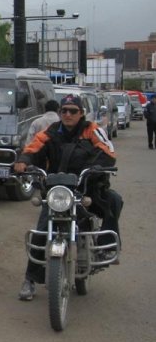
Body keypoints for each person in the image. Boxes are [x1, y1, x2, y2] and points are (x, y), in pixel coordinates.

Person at [13, 94, 123, 301]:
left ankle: (106, 247)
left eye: (73, 110)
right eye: (64, 110)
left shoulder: (91, 130)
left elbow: (108, 151)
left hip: (86, 186)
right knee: (42, 229)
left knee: (113, 201)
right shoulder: (51, 132)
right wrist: (23, 161)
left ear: (81, 113)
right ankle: (30, 280)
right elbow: (33, 148)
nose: (68, 114)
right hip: (58, 190)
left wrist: (96, 167)